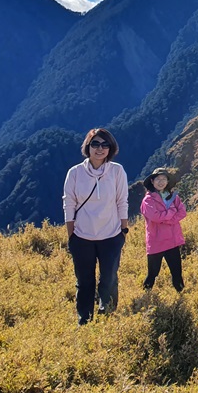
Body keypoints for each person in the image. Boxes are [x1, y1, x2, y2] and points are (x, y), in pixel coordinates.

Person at [62, 128, 129, 325]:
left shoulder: (117, 171)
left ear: (110, 148)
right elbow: (69, 203)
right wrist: (71, 235)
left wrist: (123, 231)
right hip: (82, 237)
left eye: (104, 144)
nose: (100, 149)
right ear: (88, 147)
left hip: (111, 235)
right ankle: (84, 317)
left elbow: (122, 201)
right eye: (95, 144)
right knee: (85, 281)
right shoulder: (75, 173)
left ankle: (106, 311)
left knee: (108, 277)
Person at [140, 168, 187, 292]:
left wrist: (166, 219)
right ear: (152, 181)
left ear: (167, 181)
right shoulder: (148, 200)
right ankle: (145, 297)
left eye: (164, 179)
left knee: (177, 272)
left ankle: (181, 296)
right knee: (153, 274)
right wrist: (171, 212)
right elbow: (155, 216)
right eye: (158, 179)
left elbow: (182, 212)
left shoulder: (173, 197)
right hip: (156, 242)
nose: (161, 182)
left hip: (172, 240)